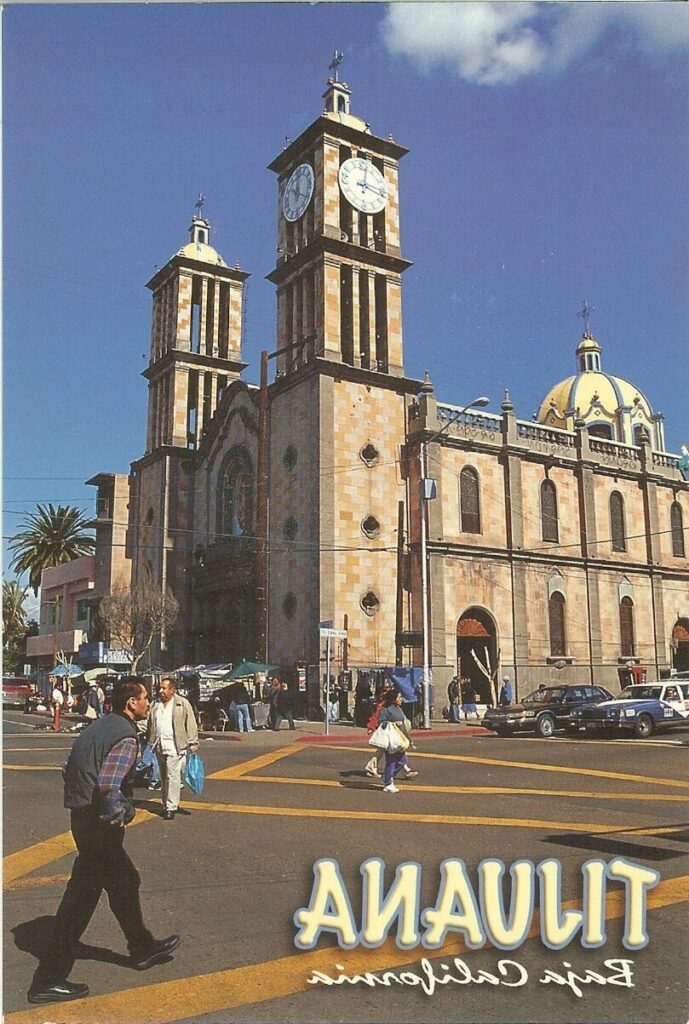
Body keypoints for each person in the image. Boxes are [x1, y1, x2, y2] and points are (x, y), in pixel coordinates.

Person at [27, 678, 180, 1005]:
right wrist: (124, 812)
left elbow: (67, 768)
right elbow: (108, 787)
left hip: (82, 818)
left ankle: (141, 947)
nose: (148, 703)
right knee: (80, 903)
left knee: (125, 881)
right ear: (131, 704)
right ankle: (47, 980)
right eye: (144, 698)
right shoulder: (125, 736)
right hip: (98, 825)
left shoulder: (99, 726)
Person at [148, 676, 199, 820]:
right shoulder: (155, 705)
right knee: (164, 777)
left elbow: (191, 723)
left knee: (173, 776)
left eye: (164, 688)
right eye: (160, 688)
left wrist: (193, 742)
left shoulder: (182, 703)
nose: (161, 691)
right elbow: (149, 723)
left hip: (176, 746)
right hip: (159, 745)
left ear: (172, 689)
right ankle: (166, 804)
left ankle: (171, 806)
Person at [378, 689, 417, 794]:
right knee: (391, 761)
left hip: (400, 739)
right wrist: (394, 724)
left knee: (402, 761)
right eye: (399, 697)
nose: (401, 699)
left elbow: (404, 726)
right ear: (393, 699)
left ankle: (388, 777)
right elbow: (381, 723)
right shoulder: (385, 710)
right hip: (391, 739)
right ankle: (388, 783)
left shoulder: (398, 709)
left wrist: (409, 740)